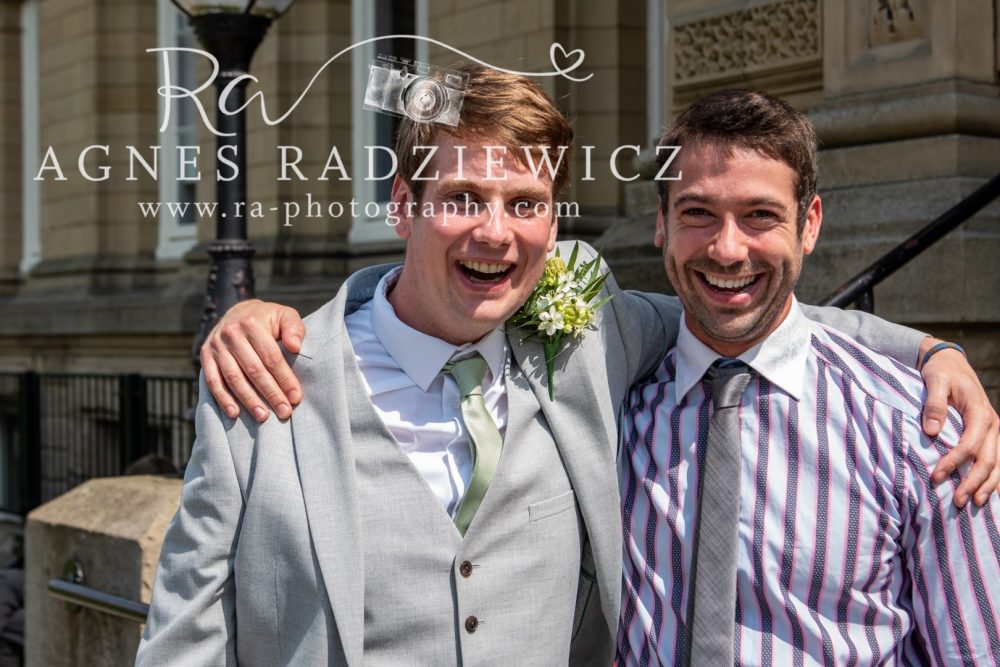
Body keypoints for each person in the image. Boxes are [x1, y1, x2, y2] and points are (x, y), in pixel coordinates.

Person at [145, 65, 999, 665]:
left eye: (525, 203)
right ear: (403, 204)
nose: (495, 231)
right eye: (462, 199)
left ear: (553, 225)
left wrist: (931, 350)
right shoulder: (264, 383)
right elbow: (183, 641)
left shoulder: (589, 338)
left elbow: (744, 314)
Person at [616, 88, 1000, 665]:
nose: (727, 249)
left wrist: (933, 351)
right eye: (697, 212)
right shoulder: (618, 410)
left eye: (760, 215)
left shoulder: (922, 432)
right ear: (661, 224)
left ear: (809, 224)